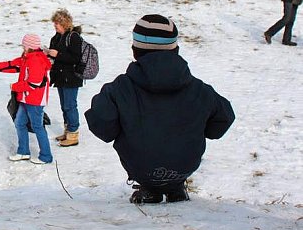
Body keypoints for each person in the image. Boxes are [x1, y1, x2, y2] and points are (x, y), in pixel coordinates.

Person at [85, 14, 235, 204]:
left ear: (135, 50)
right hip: (184, 166)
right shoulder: (198, 89)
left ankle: (150, 188)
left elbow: (102, 125)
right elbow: (223, 119)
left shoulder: (120, 88)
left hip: (141, 167)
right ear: (175, 50)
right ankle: (175, 187)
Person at [0, 34, 53, 165]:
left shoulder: (36, 60)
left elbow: (34, 83)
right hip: (25, 98)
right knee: (19, 123)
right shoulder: (27, 58)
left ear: (30, 47)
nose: (22, 47)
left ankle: (46, 156)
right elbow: (10, 65)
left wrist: (15, 87)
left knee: (38, 127)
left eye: (24, 45)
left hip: (35, 100)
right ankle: (23, 152)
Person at [46, 9, 83, 148]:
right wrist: (48, 54)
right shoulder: (56, 37)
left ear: (64, 23)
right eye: (54, 23)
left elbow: (76, 58)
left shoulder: (73, 37)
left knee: (70, 105)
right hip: (60, 77)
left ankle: (73, 134)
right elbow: (55, 55)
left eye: (57, 23)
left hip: (71, 77)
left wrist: (57, 54)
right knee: (64, 106)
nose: (55, 26)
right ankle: (67, 131)